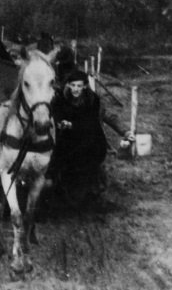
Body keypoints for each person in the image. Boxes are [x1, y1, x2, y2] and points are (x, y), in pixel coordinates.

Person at [48, 70, 134, 207]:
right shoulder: (60, 99)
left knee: (91, 162)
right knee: (58, 164)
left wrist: (125, 132)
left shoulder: (93, 101)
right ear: (68, 85)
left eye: (79, 86)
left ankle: (91, 193)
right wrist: (61, 123)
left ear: (85, 87)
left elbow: (106, 117)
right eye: (73, 85)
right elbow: (54, 114)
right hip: (66, 139)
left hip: (88, 138)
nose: (75, 89)